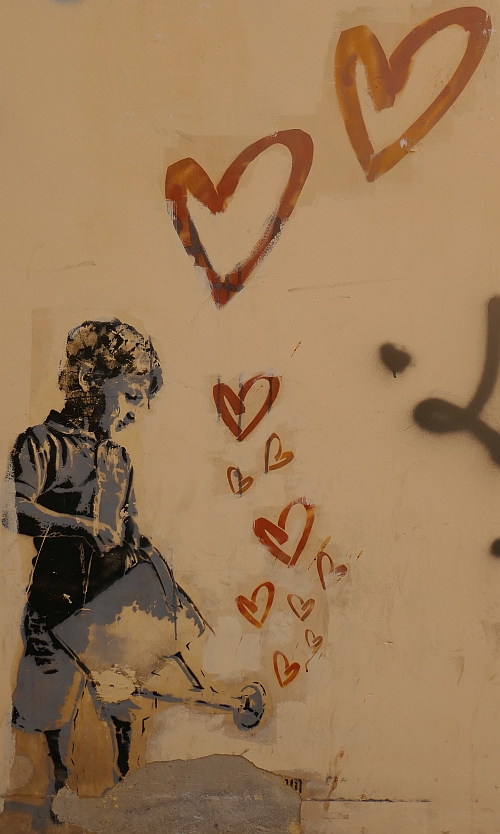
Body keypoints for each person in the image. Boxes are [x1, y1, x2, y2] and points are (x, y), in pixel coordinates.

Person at [2, 319, 263, 799]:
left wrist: (145, 552)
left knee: (130, 709)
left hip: (111, 612)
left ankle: (123, 800)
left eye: (142, 400)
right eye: (130, 395)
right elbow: (11, 509)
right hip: (55, 610)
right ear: (89, 380)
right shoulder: (40, 443)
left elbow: (130, 525)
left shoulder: (119, 458)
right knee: (48, 723)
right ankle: (48, 805)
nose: (136, 410)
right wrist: (80, 526)